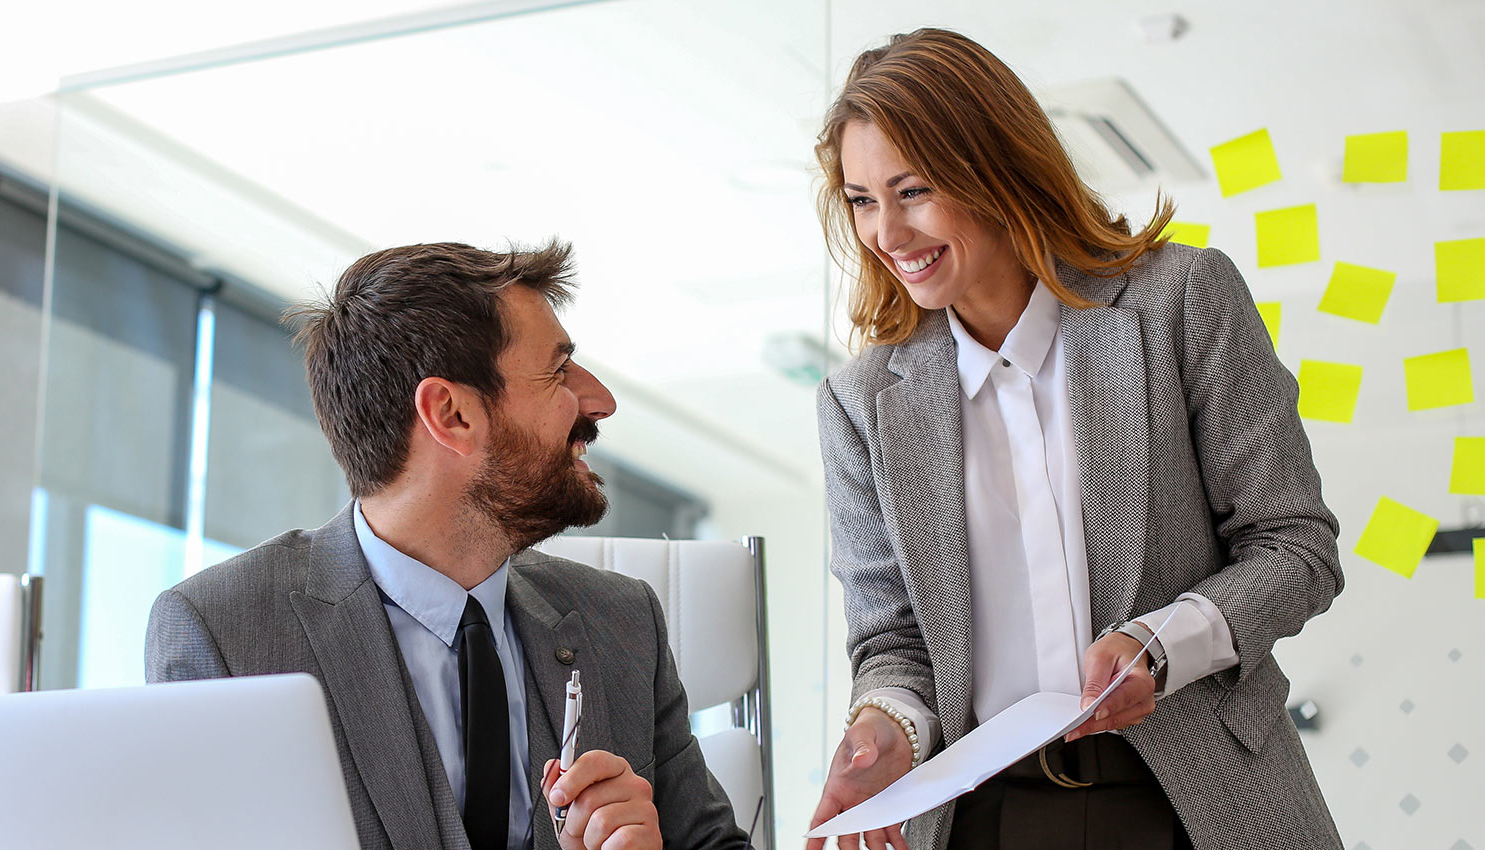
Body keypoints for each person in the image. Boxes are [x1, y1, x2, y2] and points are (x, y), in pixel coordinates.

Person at [806, 29, 1343, 850]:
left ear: (996, 168)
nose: (888, 232)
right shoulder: (860, 404)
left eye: (911, 190)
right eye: (861, 200)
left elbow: (1295, 547)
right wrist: (887, 726)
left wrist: (1158, 646)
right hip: (982, 814)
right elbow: (893, 640)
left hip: (1189, 800)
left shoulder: (1178, 303)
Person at [147, 241, 749, 850]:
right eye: (557, 370)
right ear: (451, 414)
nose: (600, 401)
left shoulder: (623, 623)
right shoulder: (223, 633)